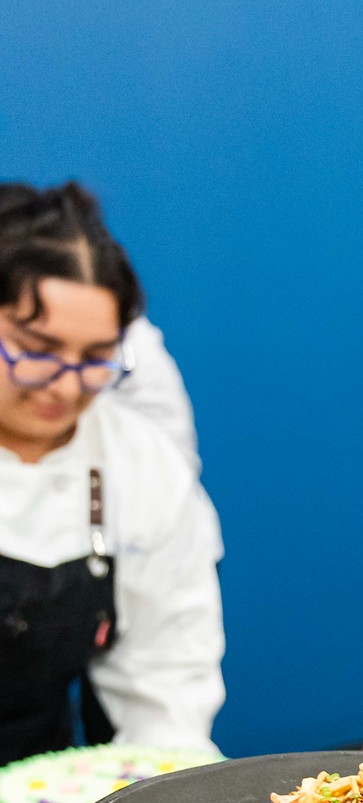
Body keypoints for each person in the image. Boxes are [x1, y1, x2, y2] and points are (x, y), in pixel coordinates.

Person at [0, 182, 224, 764]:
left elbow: (165, 685)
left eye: (95, 358)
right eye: (35, 350)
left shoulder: (141, 468)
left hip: (29, 799)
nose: (67, 384)